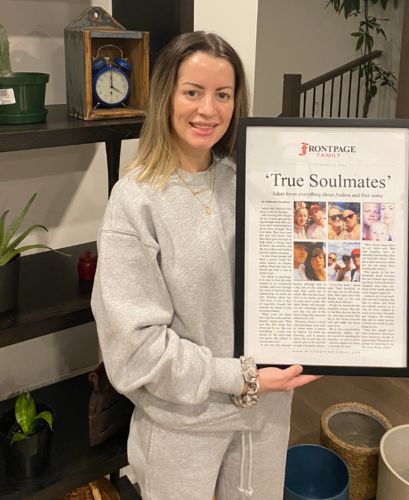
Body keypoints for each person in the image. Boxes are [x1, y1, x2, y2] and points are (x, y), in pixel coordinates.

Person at [91, 31, 321, 500]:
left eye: (223, 94)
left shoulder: (252, 183)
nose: (208, 110)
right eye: (192, 92)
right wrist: (240, 376)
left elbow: (316, 254)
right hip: (183, 426)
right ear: (165, 97)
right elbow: (135, 351)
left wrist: (402, 204)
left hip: (265, 414)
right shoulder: (135, 202)